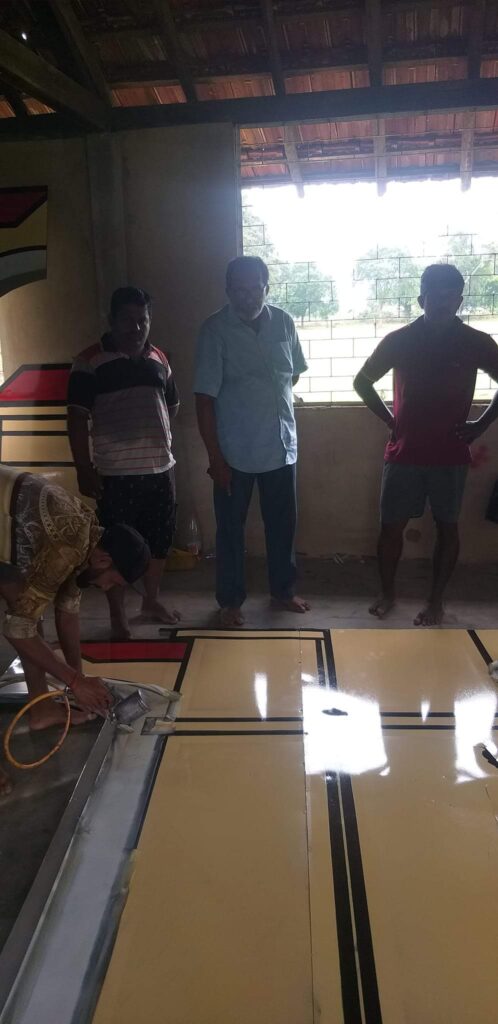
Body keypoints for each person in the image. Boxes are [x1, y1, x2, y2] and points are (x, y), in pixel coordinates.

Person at [354, 262, 498, 626]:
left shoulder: (476, 342)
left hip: (451, 454)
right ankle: (388, 594)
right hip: (404, 452)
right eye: (435, 297)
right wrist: (390, 420)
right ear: (421, 299)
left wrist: (480, 425)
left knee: (448, 527)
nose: (443, 304)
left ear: (460, 301)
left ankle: (436, 602)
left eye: (451, 297)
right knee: (391, 527)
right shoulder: (399, 340)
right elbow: (362, 382)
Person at [0, 465, 150, 795]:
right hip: (6, 523)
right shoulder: (69, 546)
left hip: (9, 535)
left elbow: (67, 612)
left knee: (28, 611)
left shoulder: (89, 540)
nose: (109, 588)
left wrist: (77, 686)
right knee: (24, 623)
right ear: (104, 561)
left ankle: (42, 709)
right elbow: (15, 630)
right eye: (114, 581)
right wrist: (75, 682)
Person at [195, 255, 310, 627]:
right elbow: (204, 399)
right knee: (231, 531)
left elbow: (291, 375)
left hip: (282, 447)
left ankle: (283, 592)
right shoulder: (215, 330)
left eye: (254, 288)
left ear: (267, 287)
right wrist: (215, 458)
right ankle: (230, 602)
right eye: (239, 290)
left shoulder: (284, 322)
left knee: (283, 527)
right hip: (234, 454)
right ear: (228, 290)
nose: (247, 297)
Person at [68, 287, 180, 639]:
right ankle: (118, 615)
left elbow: (172, 405)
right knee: (115, 548)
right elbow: (76, 418)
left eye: (142, 320)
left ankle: (151, 601)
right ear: (112, 321)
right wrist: (83, 468)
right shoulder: (89, 361)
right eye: (128, 320)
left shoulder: (159, 358)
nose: (136, 328)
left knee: (159, 541)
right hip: (115, 474)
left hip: (160, 469)